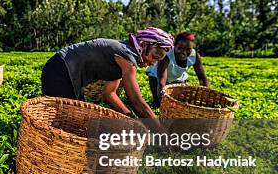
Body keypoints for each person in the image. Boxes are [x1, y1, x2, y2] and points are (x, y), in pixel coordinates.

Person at [41, 27, 174, 120]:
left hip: (65, 74)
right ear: (144, 44)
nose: (153, 63)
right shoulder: (127, 57)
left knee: (78, 116)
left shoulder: (123, 53)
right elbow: (136, 102)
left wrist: (130, 119)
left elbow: (110, 94)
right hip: (60, 71)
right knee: (68, 119)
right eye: (155, 57)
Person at [145, 32, 209, 108]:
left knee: (178, 104)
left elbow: (202, 78)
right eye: (180, 48)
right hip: (156, 78)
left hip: (177, 79)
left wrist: (205, 98)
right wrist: (164, 106)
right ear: (174, 46)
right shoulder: (167, 55)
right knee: (158, 104)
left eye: (188, 49)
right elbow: (161, 82)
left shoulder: (195, 56)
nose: (183, 52)